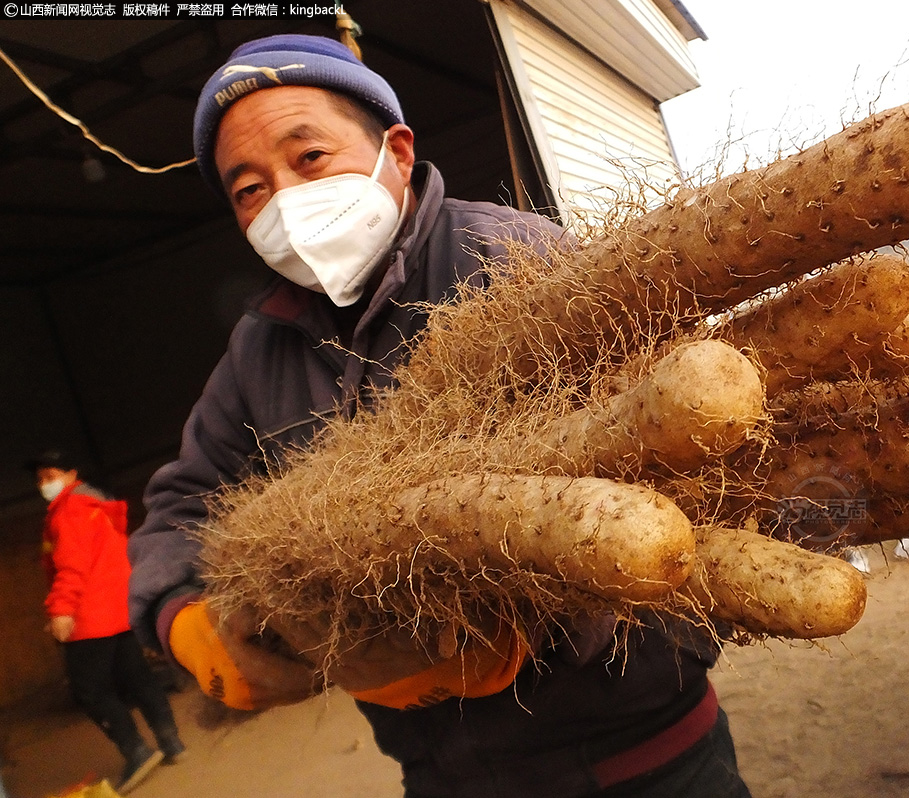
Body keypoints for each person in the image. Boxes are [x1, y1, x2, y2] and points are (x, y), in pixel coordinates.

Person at [127, 34, 751, 798]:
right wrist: (183, 621)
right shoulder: (259, 350)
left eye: (309, 158)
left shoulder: (513, 260)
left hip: (640, 757)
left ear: (396, 148)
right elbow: (179, 506)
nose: (285, 199)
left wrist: (533, 630)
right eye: (250, 189)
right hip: (443, 778)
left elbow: (667, 472)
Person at [28, 450, 186, 795]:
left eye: (50, 475)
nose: (44, 484)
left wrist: (63, 611)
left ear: (72, 473)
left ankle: (136, 751)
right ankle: (170, 741)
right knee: (138, 679)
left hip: (90, 619)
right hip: (119, 611)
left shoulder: (69, 513)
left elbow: (72, 567)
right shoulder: (98, 507)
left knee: (90, 692)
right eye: (40, 479)